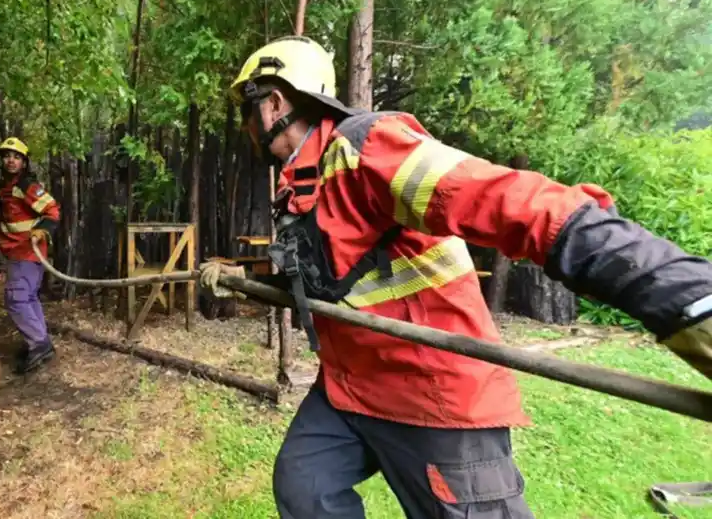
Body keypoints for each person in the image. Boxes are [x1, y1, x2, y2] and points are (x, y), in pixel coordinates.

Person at [198, 35, 712, 519]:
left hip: (435, 393)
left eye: (248, 107)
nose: (245, 124)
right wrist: (239, 275)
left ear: (274, 102)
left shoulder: (367, 150)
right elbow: (328, 278)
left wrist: (683, 296)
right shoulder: (301, 185)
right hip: (351, 388)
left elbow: (507, 200)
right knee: (305, 484)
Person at [0, 137, 61, 375]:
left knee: (17, 299)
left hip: (27, 252)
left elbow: (52, 210)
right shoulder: (7, 186)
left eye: (17, 156)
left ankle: (39, 344)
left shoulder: (26, 185)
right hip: (16, 251)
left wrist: (42, 230)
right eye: (7, 156)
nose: (11, 160)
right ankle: (40, 342)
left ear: (24, 162)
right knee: (28, 297)